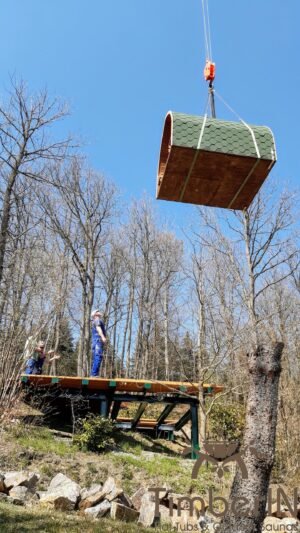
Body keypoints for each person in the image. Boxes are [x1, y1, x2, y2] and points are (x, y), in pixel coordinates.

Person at [90, 309, 107, 377]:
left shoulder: (95, 320)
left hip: (96, 341)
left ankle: (94, 374)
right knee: (98, 357)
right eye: (97, 311)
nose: (99, 311)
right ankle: (94, 374)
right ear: (95, 314)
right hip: (98, 341)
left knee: (97, 357)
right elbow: (98, 328)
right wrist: (102, 337)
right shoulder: (97, 320)